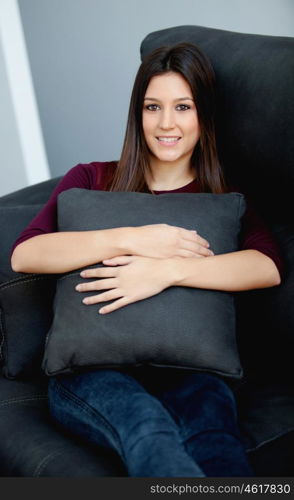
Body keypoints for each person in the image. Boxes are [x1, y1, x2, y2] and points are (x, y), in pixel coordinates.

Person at [11, 43, 282, 477]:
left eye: (183, 107)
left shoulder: (224, 197)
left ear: (204, 115)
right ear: (138, 113)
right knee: (146, 425)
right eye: (153, 107)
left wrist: (168, 271)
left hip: (190, 370)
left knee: (215, 437)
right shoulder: (93, 178)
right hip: (89, 372)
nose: (166, 123)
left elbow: (266, 266)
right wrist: (136, 239)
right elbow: (28, 254)